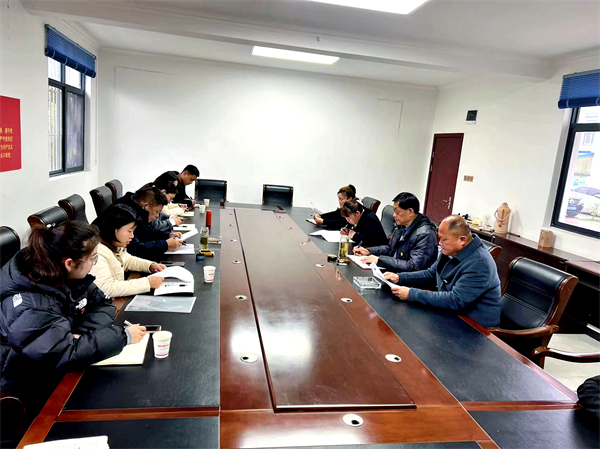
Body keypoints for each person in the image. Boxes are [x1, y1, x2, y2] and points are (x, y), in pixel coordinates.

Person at [0, 221, 146, 418]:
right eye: (93, 259)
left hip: (58, 366)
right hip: (28, 385)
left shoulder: (65, 274)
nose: (94, 265)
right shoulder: (30, 306)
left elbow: (102, 302)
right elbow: (62, 354)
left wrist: (81, 336)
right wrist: (122, 337)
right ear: (69, 263)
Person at [383, 215, 501, 327]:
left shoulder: (480, 263)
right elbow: (431, 274)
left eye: (444, 240)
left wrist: (411, 294)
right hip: (450, 313)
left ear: (462, 240)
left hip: (473, 326)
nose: (440, 243)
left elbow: (456, 300)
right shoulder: (452, 250)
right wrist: (399, 278)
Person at [92, 204, 166, 298]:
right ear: (114, 229)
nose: (132, 236)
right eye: (129, 231)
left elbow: (127, 260)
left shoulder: (114, 245)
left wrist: (150, 265)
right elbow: (107, 288)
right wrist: (147, 283)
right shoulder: (96, 252)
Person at [353, 192, 438, 272]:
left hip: (409, 279)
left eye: (397, 212)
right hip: (395, 272)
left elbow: (413, 266)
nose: (394, 215)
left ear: (410, 212)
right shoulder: (401, 226)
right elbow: (390, 249)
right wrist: (368, 251)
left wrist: (380, 260)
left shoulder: (425, 234)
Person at [106, 184, 183, 260]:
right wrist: (165, 245)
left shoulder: (136, 206)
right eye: (157, 211)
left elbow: (146, 232)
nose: (157, 216)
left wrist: (167, 235)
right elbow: (134, 249)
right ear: (145, 206)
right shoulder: (126, 213)